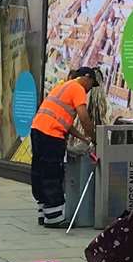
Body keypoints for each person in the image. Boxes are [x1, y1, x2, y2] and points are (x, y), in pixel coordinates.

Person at [29, 66, 100, 227]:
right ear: (86, 77)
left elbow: (65, 122)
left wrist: (83, 138)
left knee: (39, 171)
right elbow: (83, 116)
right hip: (52, 136)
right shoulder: (78, 88)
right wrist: (95, 137)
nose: (90, 89)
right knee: (53, 172)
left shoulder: (62, 86)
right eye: (92, 84)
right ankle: (54, 217)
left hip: (38, 130)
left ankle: (44, 213)